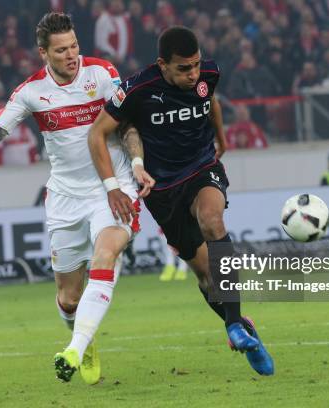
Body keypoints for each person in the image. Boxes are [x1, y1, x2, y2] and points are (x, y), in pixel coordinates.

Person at [0, 12, 148, 385]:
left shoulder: (103, 74)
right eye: (61, 50)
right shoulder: (31, 92)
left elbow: (129, 123)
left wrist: (135, 163)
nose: (72, 55)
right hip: (66, 197)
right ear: (43, 53)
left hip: (113, 187)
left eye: (74, 47)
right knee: (69, 299)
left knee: (106, 252)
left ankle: (77, 346)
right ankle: (84, 336)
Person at [88, 26, 274, 375]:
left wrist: (221, 138)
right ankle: (244, 329)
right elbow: (97, 132)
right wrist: (112, 185)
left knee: (212, 221)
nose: (193, 75)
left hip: (202, 167)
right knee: (205, 275)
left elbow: (211, 100)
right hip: (162, 190)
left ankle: (234, 326)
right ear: (162, 64)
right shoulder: (135, 90)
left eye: (196, 66)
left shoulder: (209, 73)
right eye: (183, 69)